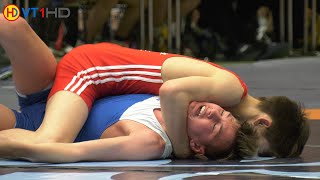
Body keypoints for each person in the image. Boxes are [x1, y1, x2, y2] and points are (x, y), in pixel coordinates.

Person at [0, 15, 309, 160]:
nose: (251, 151)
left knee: (11, 22)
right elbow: (170, 93)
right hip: (91, 72)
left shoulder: (229, 92)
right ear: (262, 122)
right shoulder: (230, 91)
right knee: (50, 142)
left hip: (86, 81)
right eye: (260, 147)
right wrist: (185, 150)